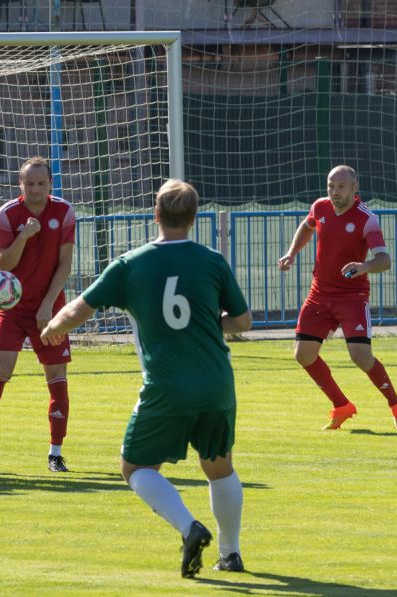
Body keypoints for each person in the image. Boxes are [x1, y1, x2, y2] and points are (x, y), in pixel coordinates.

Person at [41, 179, 252, 577]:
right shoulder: (211, 261)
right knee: (219, 466)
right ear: (193, 218)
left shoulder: (131, 264)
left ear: (155, 214)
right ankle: (232, 553)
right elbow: (243, 321)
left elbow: (78, 309)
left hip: (167, 384)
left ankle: (190, 527)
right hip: (216, 381)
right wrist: (207, 324)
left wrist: (52, 326)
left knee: (135, 468)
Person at [278, 165, 397, 431]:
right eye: (330, 186)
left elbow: (384, 260)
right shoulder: (320, 207)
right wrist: (292, 253)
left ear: (355, 188)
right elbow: (307, 227)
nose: (335, 192)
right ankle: (342, 406)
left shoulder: (366, 219)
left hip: (352, 296)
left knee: (360, 356)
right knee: (303, 355)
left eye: (341, 186)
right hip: (319, 294)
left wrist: (364, 267)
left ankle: (396, 404)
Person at [0, 156, 76, 473]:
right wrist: (24, 236)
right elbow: (5, 265)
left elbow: (65, 265)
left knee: (57, 378)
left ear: (50, 184)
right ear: (21, 184)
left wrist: (48, 305)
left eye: (41, 183)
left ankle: (55, 454)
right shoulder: (8, 214)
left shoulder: (64, 212)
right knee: (2, 371)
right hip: (12, 307)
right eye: (29, 183)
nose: (35, 189)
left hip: (50, 306)